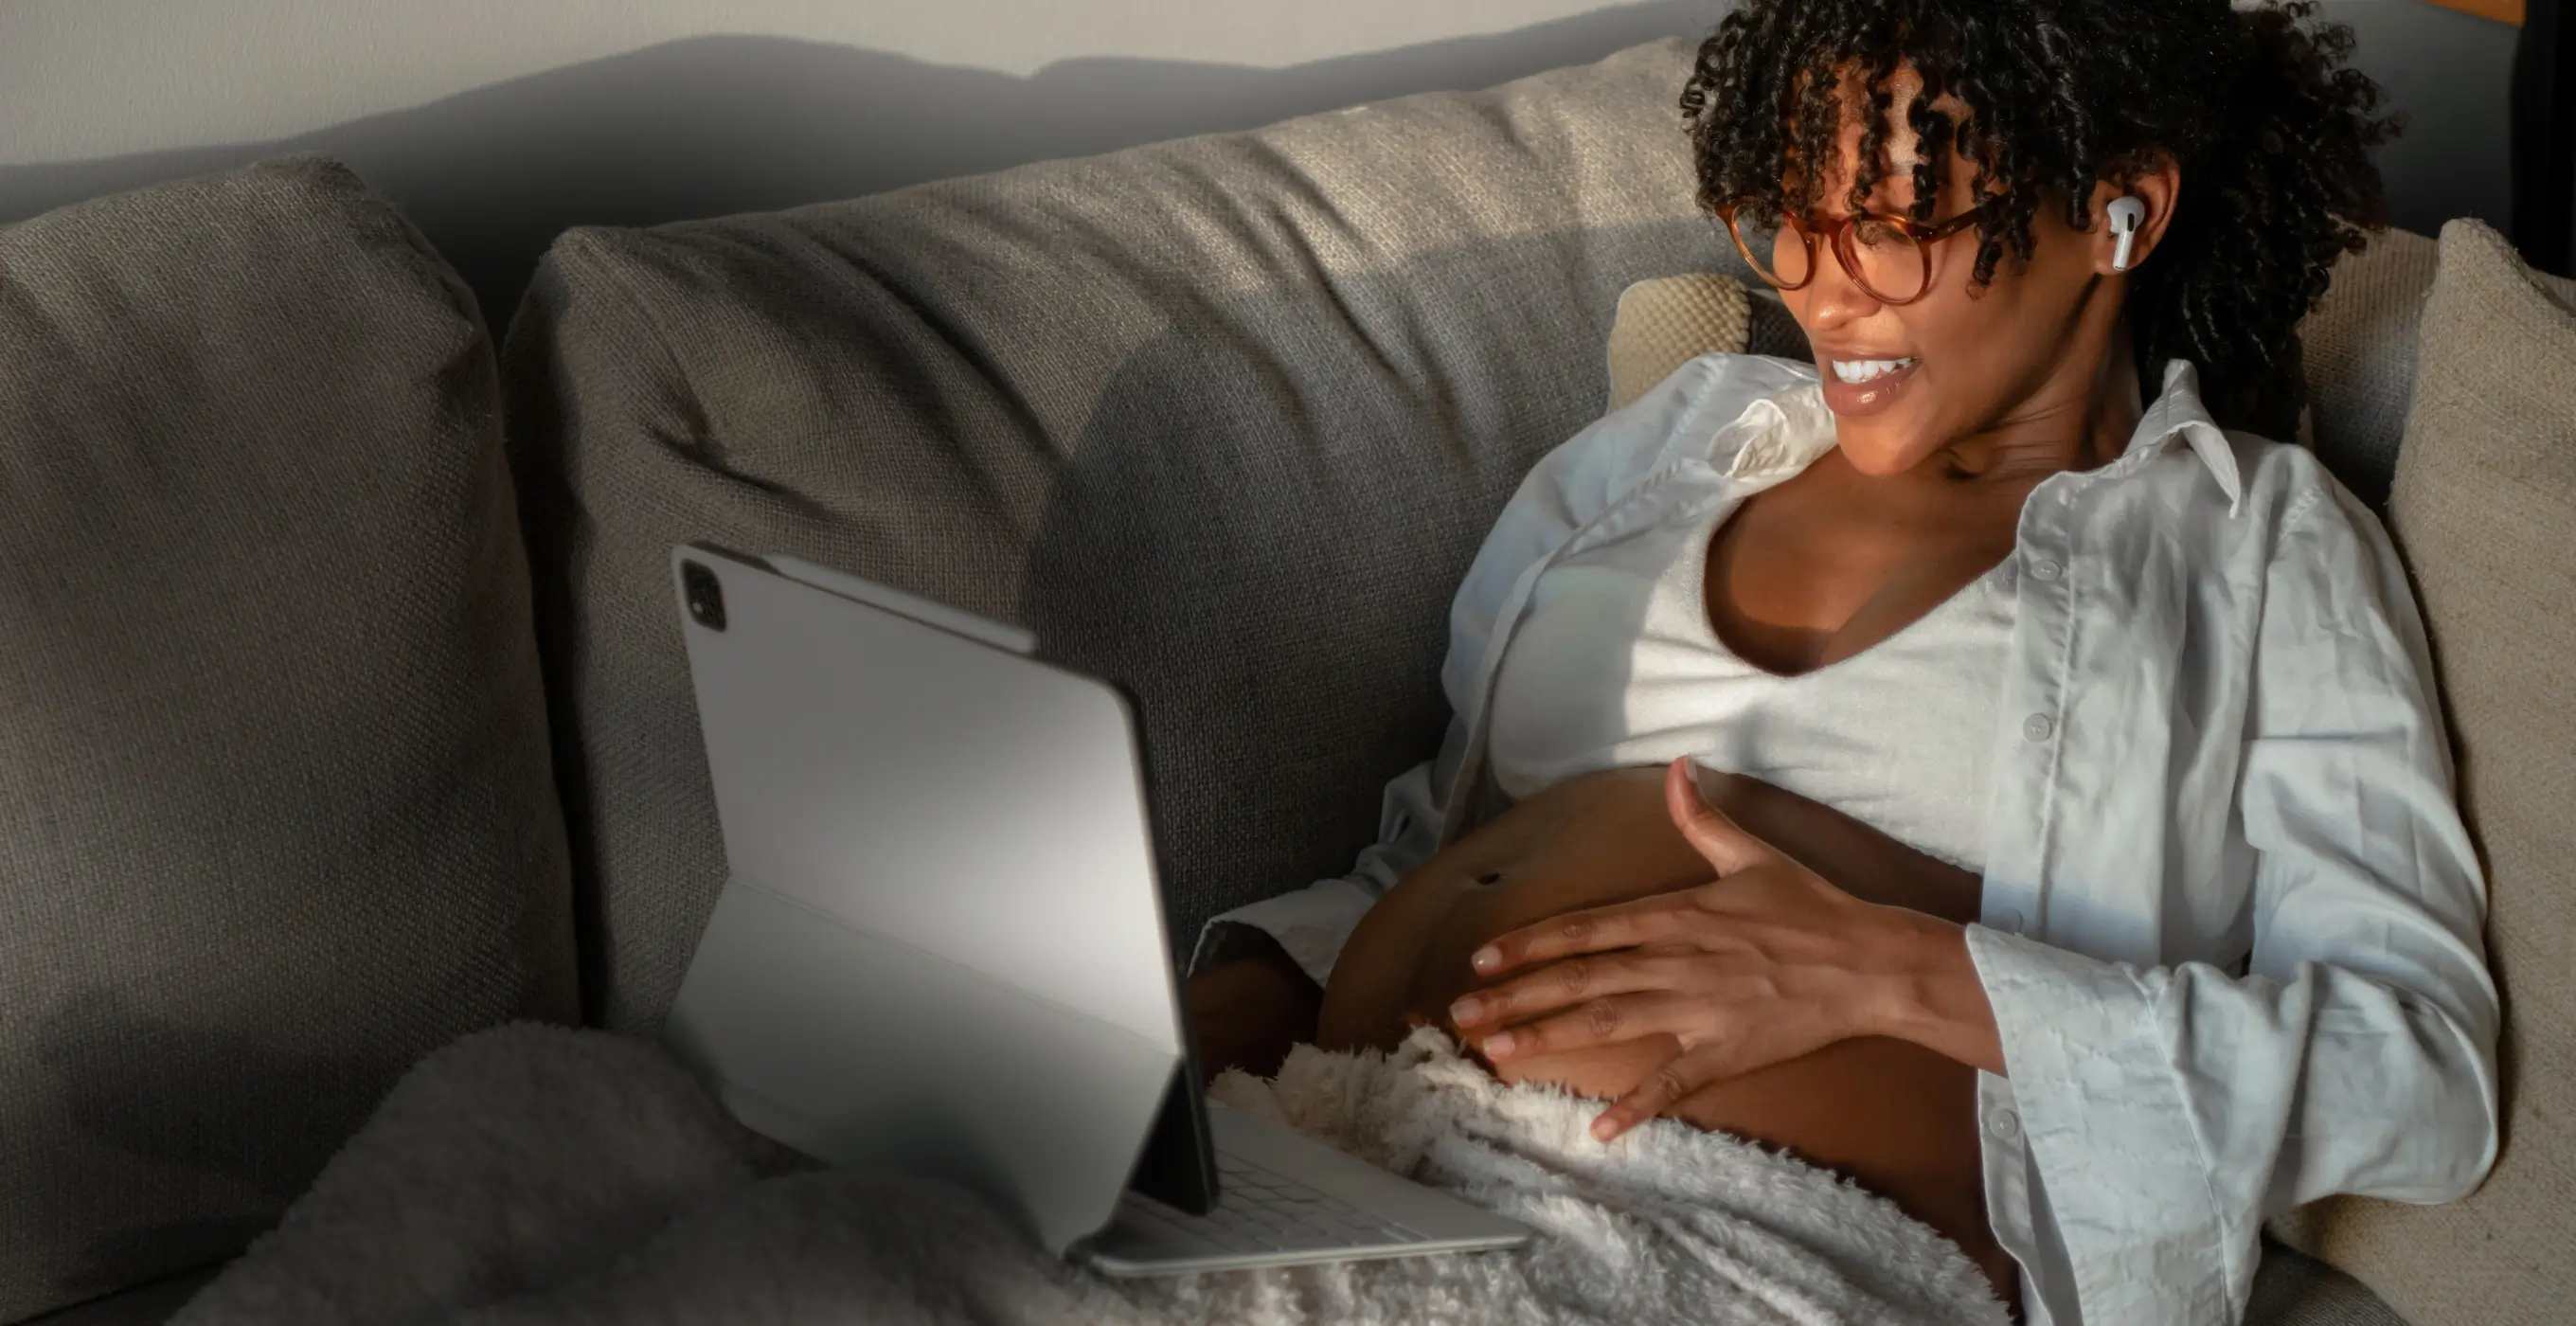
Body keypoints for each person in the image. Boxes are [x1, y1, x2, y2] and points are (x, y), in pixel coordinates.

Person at [1179, 2, 2501, 1323]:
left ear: (2121, 214)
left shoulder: (2259, 544)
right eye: (1787, 218)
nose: (1821, 285)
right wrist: (1230, 1008)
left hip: (1745, 1251)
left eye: (1891, 220)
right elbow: (1421, 856)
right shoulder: (1667, 449)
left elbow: (2421, 1077)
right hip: (1328, 1148)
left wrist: (1888, 971)